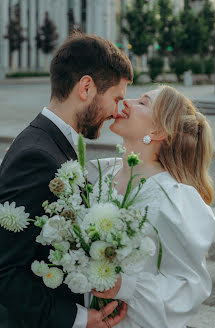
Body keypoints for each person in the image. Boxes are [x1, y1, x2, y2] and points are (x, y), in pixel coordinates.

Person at [0, 33, 133, 328]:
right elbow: (5, 271)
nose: (115, 112)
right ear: (86, 87)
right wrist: (78, 319)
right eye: (116, 98)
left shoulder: (50, 142)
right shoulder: (36, 156)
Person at [90, 85, 215, 328]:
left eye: (142, 102)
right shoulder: (104, 173)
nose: (127, 101)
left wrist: (123, 286)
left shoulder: (173, 198)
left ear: (158, 131)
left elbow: (188, 285)